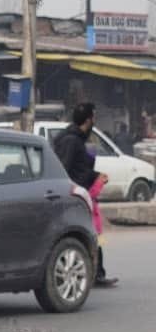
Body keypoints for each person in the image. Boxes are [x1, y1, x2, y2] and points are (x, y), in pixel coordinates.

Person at [53, 101, 118, 287]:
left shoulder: (75, 139)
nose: (95, 120)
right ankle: (93, 273)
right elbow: (67, 170)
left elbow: (79, 169)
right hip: (76, 197)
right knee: (89, 234)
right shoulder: (71, 141)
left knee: (91, 234)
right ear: (89, 120)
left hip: (82, 195)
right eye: (94, 117)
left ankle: (96, 272)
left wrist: (95, 176)